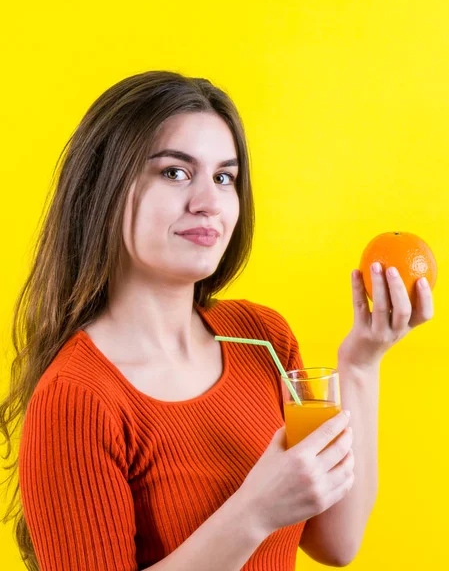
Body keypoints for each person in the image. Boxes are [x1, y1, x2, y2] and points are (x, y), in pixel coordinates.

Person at [0, 71, 434, 571]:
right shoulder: (77, 397)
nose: (209, 203)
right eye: (175, 173)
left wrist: (361, 362)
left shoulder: (262, 338)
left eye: (224, 177)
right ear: (105, 187)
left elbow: (337, 542)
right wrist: (254, 513)